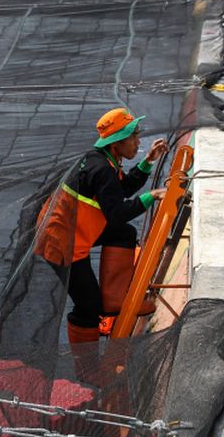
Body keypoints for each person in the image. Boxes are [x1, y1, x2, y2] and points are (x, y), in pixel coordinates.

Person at [34, 108, 169, 344]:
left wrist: (148, 162)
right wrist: (152, 196)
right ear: (116, 143)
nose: (138, 142)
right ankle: (87, 367)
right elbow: (116, 214)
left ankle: (114, 301)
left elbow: (119, 192)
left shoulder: (103, 159)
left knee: (123, 233)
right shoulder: (102, 169)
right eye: (133, 137)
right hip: (62, 243)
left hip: (76, 231)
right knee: (88, 306)